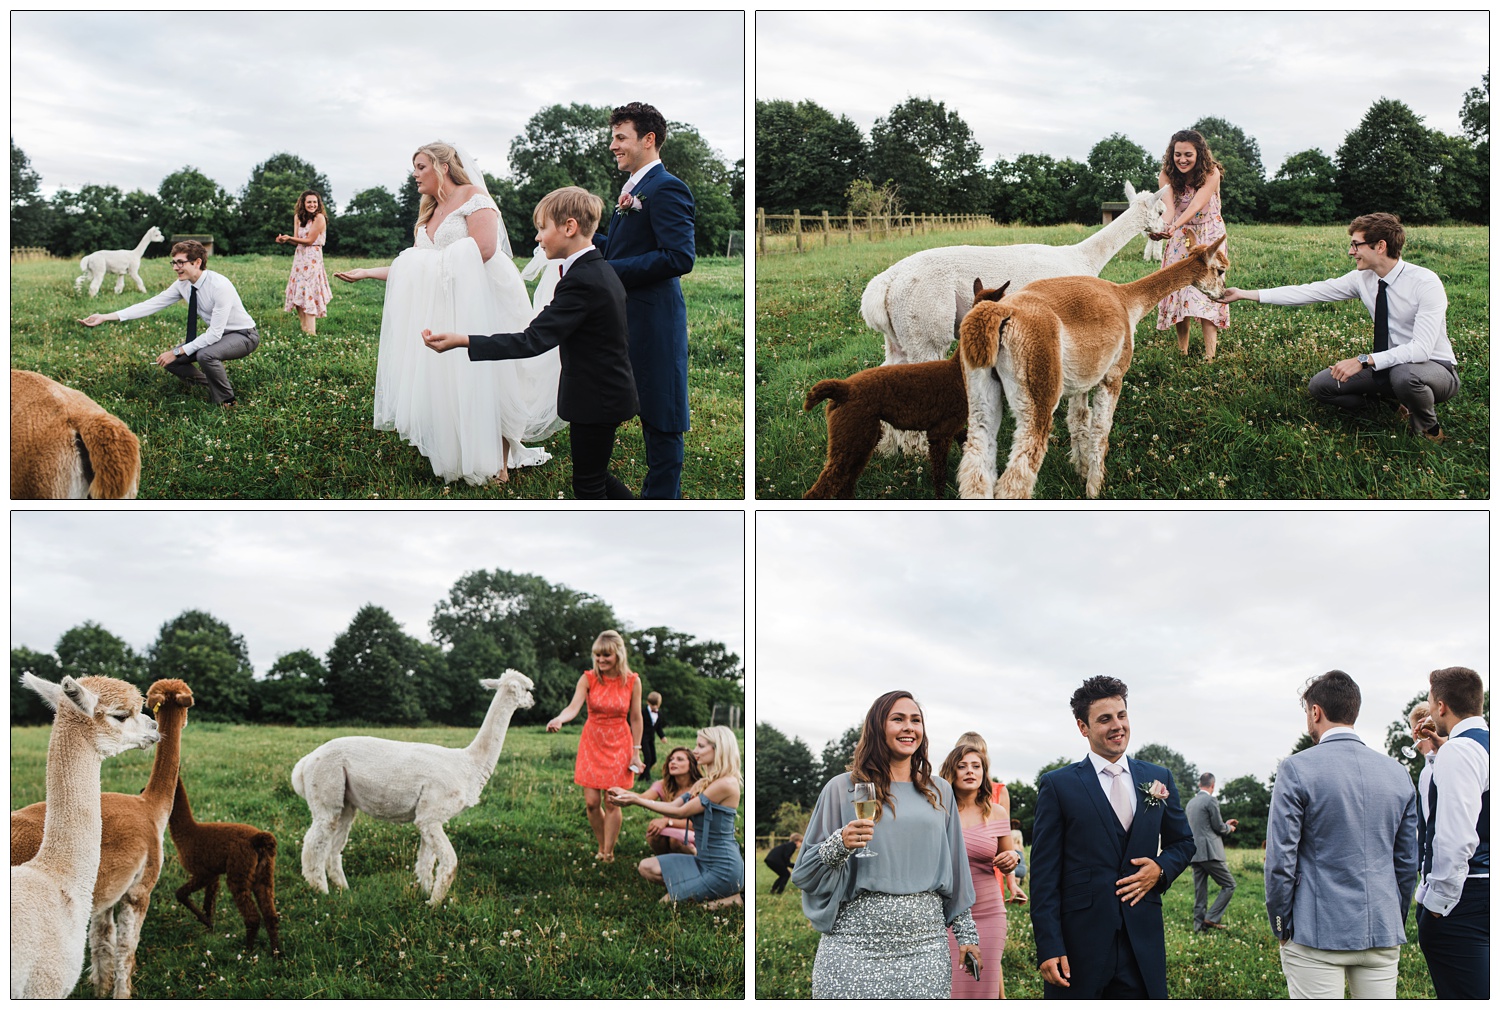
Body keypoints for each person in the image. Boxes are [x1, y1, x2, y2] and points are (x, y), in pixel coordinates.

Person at [337, 142, 564, 485]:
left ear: (443, 166)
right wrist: (369, 272)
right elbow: (413, 265)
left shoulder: (475, 197)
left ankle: (500, 465)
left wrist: (431, 266)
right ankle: (462, 454)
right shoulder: (428, 211)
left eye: (420, 166)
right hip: (444, 302)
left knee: (493, 377)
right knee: (452, 380)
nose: (414, 174)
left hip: (485, 300)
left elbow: (485, 249)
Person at [423, 187, 638, 499]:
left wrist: (464, 340)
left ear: (569, 227)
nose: (537, 238)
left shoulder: (582, 281)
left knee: (588, 485)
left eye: (542, 228)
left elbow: (532, 340)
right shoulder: (595, 269)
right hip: (606, 394)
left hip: (597, 400)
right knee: (597, 476)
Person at [791, 690, 978, 998]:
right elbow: (805, 872)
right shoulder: (842, 788)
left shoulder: (941, 791)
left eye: (916, 720)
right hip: (854, 945)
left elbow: (955, 871)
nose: (909, 727)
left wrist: (967, 935)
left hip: (925, 949)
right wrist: (840, 843)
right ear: (878, 728)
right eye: (898, 719)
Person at [1219, 212, 1458, 441]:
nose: (1350, 251)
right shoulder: (1362, 278)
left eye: (1356, 245)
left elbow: (1421, 350)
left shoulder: (1425, 282)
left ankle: (1429, 428)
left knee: (1404, 375)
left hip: (1434, 369)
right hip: (1387, 365)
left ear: (1380, 246)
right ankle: (1385, 407)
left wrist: (1364, 360)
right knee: (1321, 386)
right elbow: (1310, 291)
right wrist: (1245, 294)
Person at [1029, 675, 1194, 999]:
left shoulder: (1159, 778)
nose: (1117, 725)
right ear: (1083, 727)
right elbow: (1044, 875)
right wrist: (1049, 945)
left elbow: (1184, 842)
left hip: (1141, 940)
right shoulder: (1058, 785)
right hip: (1080, 944)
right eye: (1105, 719)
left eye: (1122, 715)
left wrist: (1160, 870)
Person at [1265, 670, 1418, 999]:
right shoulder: (1398, 773)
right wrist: (1393, 916)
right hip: (1382, 928)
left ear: (1315, 712)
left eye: (1307, 713)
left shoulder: (1296, 768)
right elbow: (1407, 862)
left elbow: (1281, 860)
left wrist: (1280, 923)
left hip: (1315, 933)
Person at [594, 102, 695, 498]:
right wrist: (583, 245)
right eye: (613, 137)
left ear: (648, 139)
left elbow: (679, 257)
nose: (613, 145)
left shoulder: (666, 187)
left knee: (661, 421)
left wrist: (608, 271)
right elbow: (623, 249)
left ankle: (661, 502)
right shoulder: (633, 189)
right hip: (622, 321)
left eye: (621, 137)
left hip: (655, 324)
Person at [78, 240, 258, 407]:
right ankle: (209, 385)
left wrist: (176, 351)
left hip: (243, 335)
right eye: (174, 263)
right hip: (219, 335)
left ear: (196, 262)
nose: (175, 268)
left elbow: (214, 334)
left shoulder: (219, 285)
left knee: (204, 355)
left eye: (180, 262)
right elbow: (151, 304)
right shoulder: (183, 284)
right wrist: (106, 316)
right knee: (170, 361)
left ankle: (228, 401)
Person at [1415, 666, 1489, 999]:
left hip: (1464, 898)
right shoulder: (1483, 746)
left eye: (1431, 703)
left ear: (1442, 706)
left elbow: (1455, 838)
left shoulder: (1458, 752)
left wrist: (1437, 904)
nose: (1430, 710)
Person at [610, 725, 743, 908]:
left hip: (723, 868)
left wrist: (635, 801)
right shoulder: (704, 783)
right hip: (702, 861)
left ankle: (733, 899)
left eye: (701, 746)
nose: (695, 751)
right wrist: (627, 794)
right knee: (646, 867)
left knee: (667, 904)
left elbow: (681, 812)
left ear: (718, 748)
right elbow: (673, 805)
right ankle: (697, 890)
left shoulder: (727, 784)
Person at [545, 630, 643, 862]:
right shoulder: (588, 678)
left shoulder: (632, 681)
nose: (601, 660)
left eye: (606, 656)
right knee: (591, 803)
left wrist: (636, 752)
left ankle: (607, 852)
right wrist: (560, 718)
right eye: (597, 656)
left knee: (612, 801)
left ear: (618, 655)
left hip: (620, 743)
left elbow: (636, 718)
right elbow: (573, 707)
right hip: (592, 741)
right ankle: (601, 844)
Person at [940, 737, 1019, 999]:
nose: (970, 771)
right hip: (948, 913)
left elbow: (1007, 853)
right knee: (952, 986)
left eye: (976, 766)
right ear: (951, 772)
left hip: (989, 911)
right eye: (962, 766)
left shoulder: (995, 812)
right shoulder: (938, 811)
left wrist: (1012, 859)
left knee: (985, 984)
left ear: (984, 773)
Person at [1152, 129, 1229, 360]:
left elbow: (1196, 204)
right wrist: (1163, 228)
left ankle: (1210, 355)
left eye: (1188, 154)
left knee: (1208, 288)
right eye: (1177, 154)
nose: (1182, 159)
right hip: (1180, 235)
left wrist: (1174, 226)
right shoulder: (1166, 175)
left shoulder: (1211, 172)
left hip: (1209, 233)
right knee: (1180, 289)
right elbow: (1170, 210)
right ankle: (1182, 352)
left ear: (1199, 154)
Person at [1185, 772, 1238, 933]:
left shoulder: (1191, 803)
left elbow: (1204, 826)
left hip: (1195, 853)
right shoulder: (1211, 800)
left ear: (1200, 784)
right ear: (1213, 785)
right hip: (1210, 852)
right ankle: (1212, 918)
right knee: (1229, 885)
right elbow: (1218, 827)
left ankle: (1198, 927)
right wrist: (1230, 827)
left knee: (1200, 891)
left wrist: (1224, 824)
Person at [275, 190, 332, 334]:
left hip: (313, 258)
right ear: (303, 203)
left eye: (315, 202)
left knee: (309, 293)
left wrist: (289, 238)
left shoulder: (319, 218)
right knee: (298, 294)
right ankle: (305, 330)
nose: (312, 205)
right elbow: (297, 241)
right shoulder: (298, 217)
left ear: (318, 204)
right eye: (309, 202)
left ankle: (311, 334)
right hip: (299, 258)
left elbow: (309, 240)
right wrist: (284, 240)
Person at [640, 746, 700, 855]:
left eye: (679, 759)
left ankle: (695, 859)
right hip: (672, 829)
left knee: (676, 840)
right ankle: (666, 860)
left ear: (691, 765)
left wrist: (668, 822)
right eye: (671, 759)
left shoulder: (700, 788)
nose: (673, 762)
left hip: (698, 832)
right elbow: (643, 799)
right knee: (654, 833)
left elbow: (697, 824)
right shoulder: (663, 785)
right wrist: (623, 793)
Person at [642, 690, 668, 775]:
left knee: (653, 759)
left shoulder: (659, 714)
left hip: (651, 739)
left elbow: (658, 728)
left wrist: (662, 736)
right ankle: (647, 778)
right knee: (648, 758)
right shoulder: (643, 712)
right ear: (648, 703)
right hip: (642, 738)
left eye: (656, 705)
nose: (654, 707)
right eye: (652, 705)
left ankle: (642, 774)